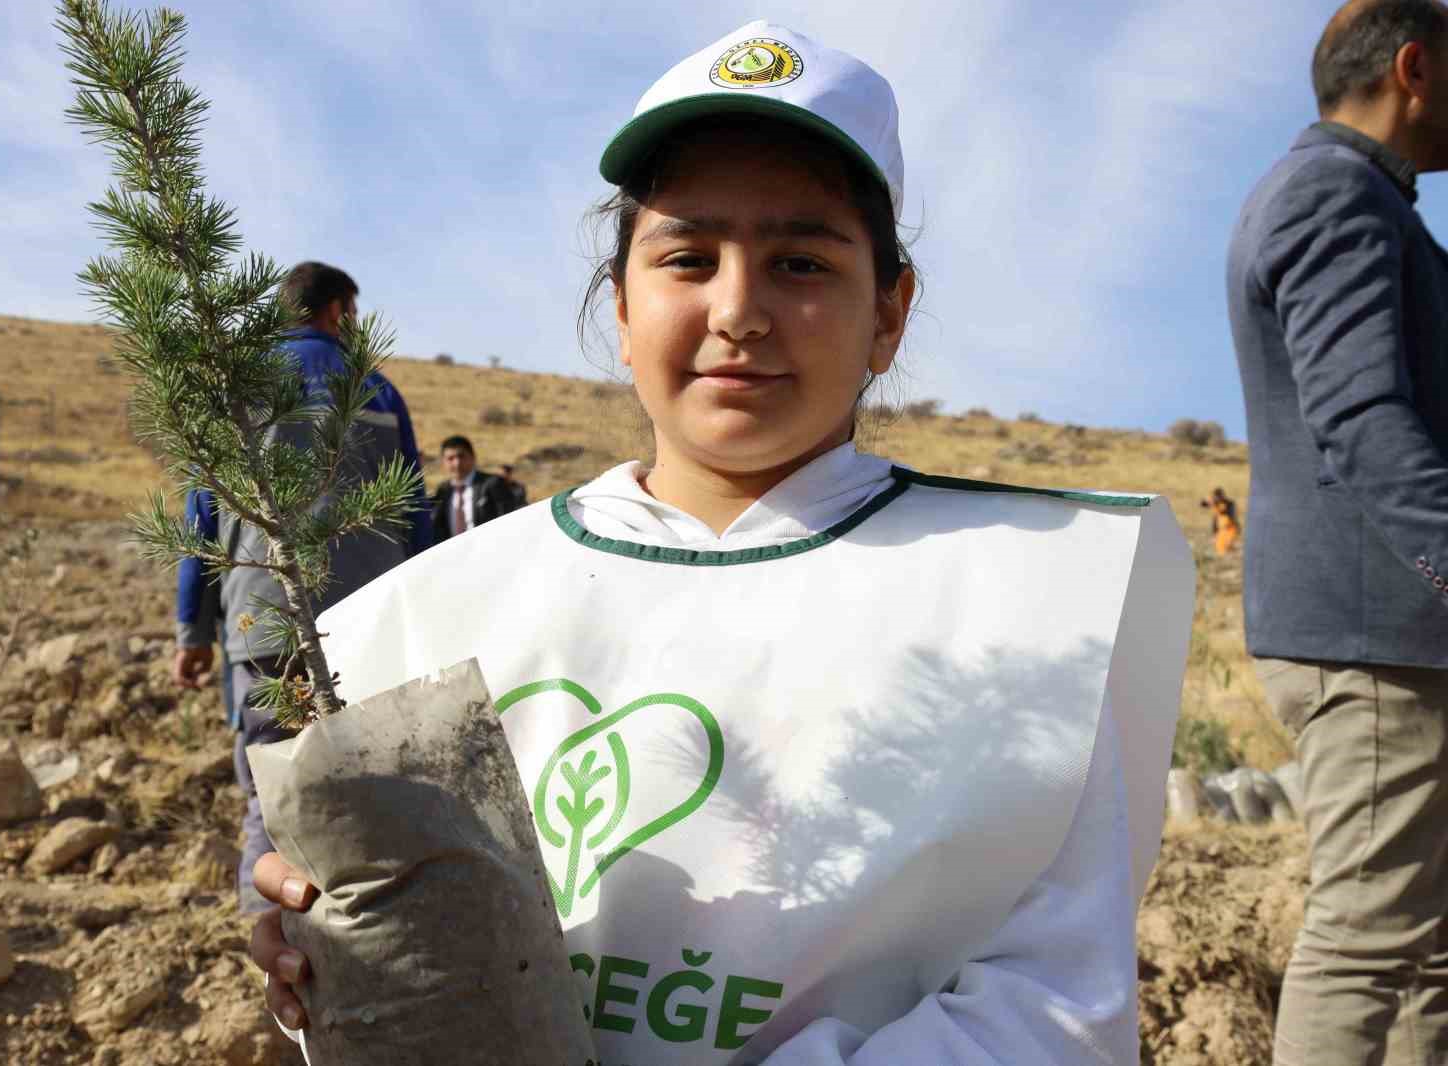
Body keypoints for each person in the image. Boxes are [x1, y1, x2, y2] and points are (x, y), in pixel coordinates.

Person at [250, 22, 1195, 1064]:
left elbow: (1055, 1003)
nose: (738, 310)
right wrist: (332, 974)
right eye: (688, 258)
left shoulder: (1020, 595)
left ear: (889, 311)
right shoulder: (429, 613)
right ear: (621, 305)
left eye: (798, 261)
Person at [1226, 1, 1448, 1061]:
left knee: (1427, 946)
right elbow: (1360, 419)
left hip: (1391, 636)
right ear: (1414, 67)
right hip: (1370, 640)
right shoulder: (1335, 193)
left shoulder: (1358, 196)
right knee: (1366, 940)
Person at [170, 260, 431, 913]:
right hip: (370, 627)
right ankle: (364, 942)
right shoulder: (375, 391)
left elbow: (202, 521)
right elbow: (416, 516)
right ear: (338, 311)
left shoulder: (234, 395)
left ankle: (274, 953)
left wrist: (192, 631)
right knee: (370, 792)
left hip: (258, 623)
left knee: (273, 791)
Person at [429, 434, 520, 541]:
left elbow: (509, 520)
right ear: (443, 463)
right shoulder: (443, 490)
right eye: (450, 458)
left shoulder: (492, 484)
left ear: (473, 457)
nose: (457, 463)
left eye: (461, 456)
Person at [1199, 487, 1241, 555]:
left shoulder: (1229, 503)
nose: (1217, 499)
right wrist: (1206, 500)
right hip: (1220, 531)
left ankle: (1236, 554)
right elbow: (1202, 504)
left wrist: (1237, 527)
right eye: (1215, 497)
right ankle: (1235, 554)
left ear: (1222, 496)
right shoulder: (1214, 503)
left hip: (1230, 528)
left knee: (1226, 547)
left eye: (1218, 497)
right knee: (1221, 550)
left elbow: (1232, 515)